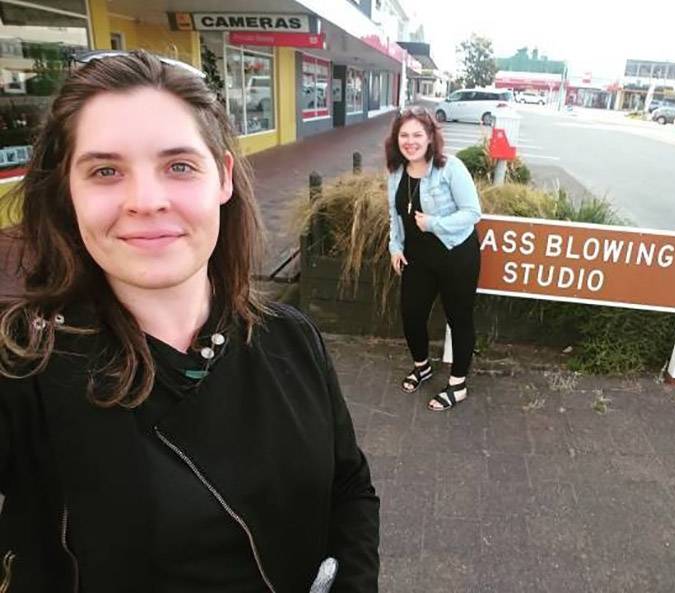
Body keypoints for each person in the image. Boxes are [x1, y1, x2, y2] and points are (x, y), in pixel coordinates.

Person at [0, 50, 379, 593]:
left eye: (178, 166)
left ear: (223, 177)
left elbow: (350, 486)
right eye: (105, 171)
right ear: (67, 191)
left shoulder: (293, 337)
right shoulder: (23, 368)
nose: (146, 201)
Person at [385, 106, 482, 412]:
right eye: (404, 135)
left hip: (456, 255)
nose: (410, 141)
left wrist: (434, 224)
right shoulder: (396, 172)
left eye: (417, 134)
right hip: (417, 258)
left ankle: (458, 384)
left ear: (430, 137)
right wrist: (395, 246)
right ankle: (423, 366)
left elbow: (472, 213)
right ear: (396, 139)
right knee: (411, 314)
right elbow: (395, 215)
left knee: (459, 318)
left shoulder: (450, 168)